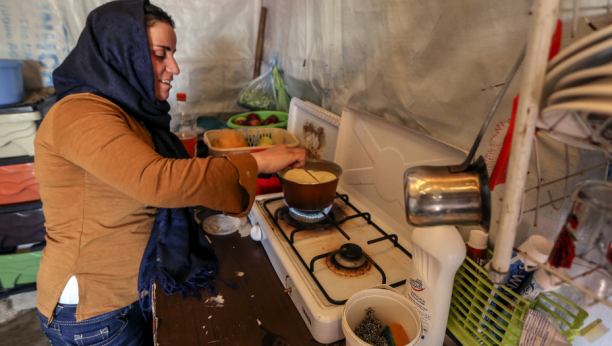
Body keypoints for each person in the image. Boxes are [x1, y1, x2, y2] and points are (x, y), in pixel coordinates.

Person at [34, 1, 305, 345]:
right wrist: (258, 162)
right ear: (122, 52)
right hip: (96, 309)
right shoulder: (80, 113)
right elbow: (157, 180)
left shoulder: (122, 112)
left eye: (172, 54)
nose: (173, 67)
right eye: (161, 54)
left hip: (124, 296)